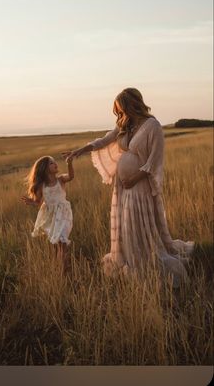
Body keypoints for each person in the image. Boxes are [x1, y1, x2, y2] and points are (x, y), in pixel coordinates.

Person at [63, 87, 194, 287]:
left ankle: (146, 262)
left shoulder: (153, 126)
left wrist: (134, 177)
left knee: (137, 222)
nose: (119, 114)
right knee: (125, 224)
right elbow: (105, 140)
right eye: (118, 111)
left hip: (139, 184)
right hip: (123, 186)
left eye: (121, 109)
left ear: (132, 104)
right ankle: (132, 259)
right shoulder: (126, 124)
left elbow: (155, 160)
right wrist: (80, 150)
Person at [22, 155, 74, 271]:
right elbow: (39, 203)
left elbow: (71, 176)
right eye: (51, 163)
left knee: (62, 241)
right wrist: (32, 202)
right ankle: (59, 267)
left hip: (64, 215)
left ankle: (64, 268)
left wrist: (69, 163)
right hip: (51, 217)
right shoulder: (42, 186)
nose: (55, 164)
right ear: (44, 169)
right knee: (56, 245)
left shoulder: (60, 180)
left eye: (55, 162)